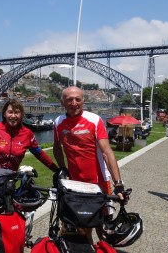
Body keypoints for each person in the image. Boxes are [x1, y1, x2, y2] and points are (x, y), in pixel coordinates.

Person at [53, 86, 125, 244]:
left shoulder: (94, 119)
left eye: (78, 99)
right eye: (69, 99)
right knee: (80, 226)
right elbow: (57, 147)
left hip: (98, 182)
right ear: (62, 102)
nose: (74, 103)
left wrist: (118, 183)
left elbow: (107, 152)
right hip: (75, 183)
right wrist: (62, 167)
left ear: (83, 101)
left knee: (103, 228)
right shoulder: (58, 122)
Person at [0, 99, 58, 204]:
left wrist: (56, 170)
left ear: (22, 115)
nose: (13, 116)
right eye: (10, 112)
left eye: (17, 112)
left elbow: (39, 154)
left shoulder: (28, 134)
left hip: (9, 180)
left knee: (6, 213)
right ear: (4, 114)